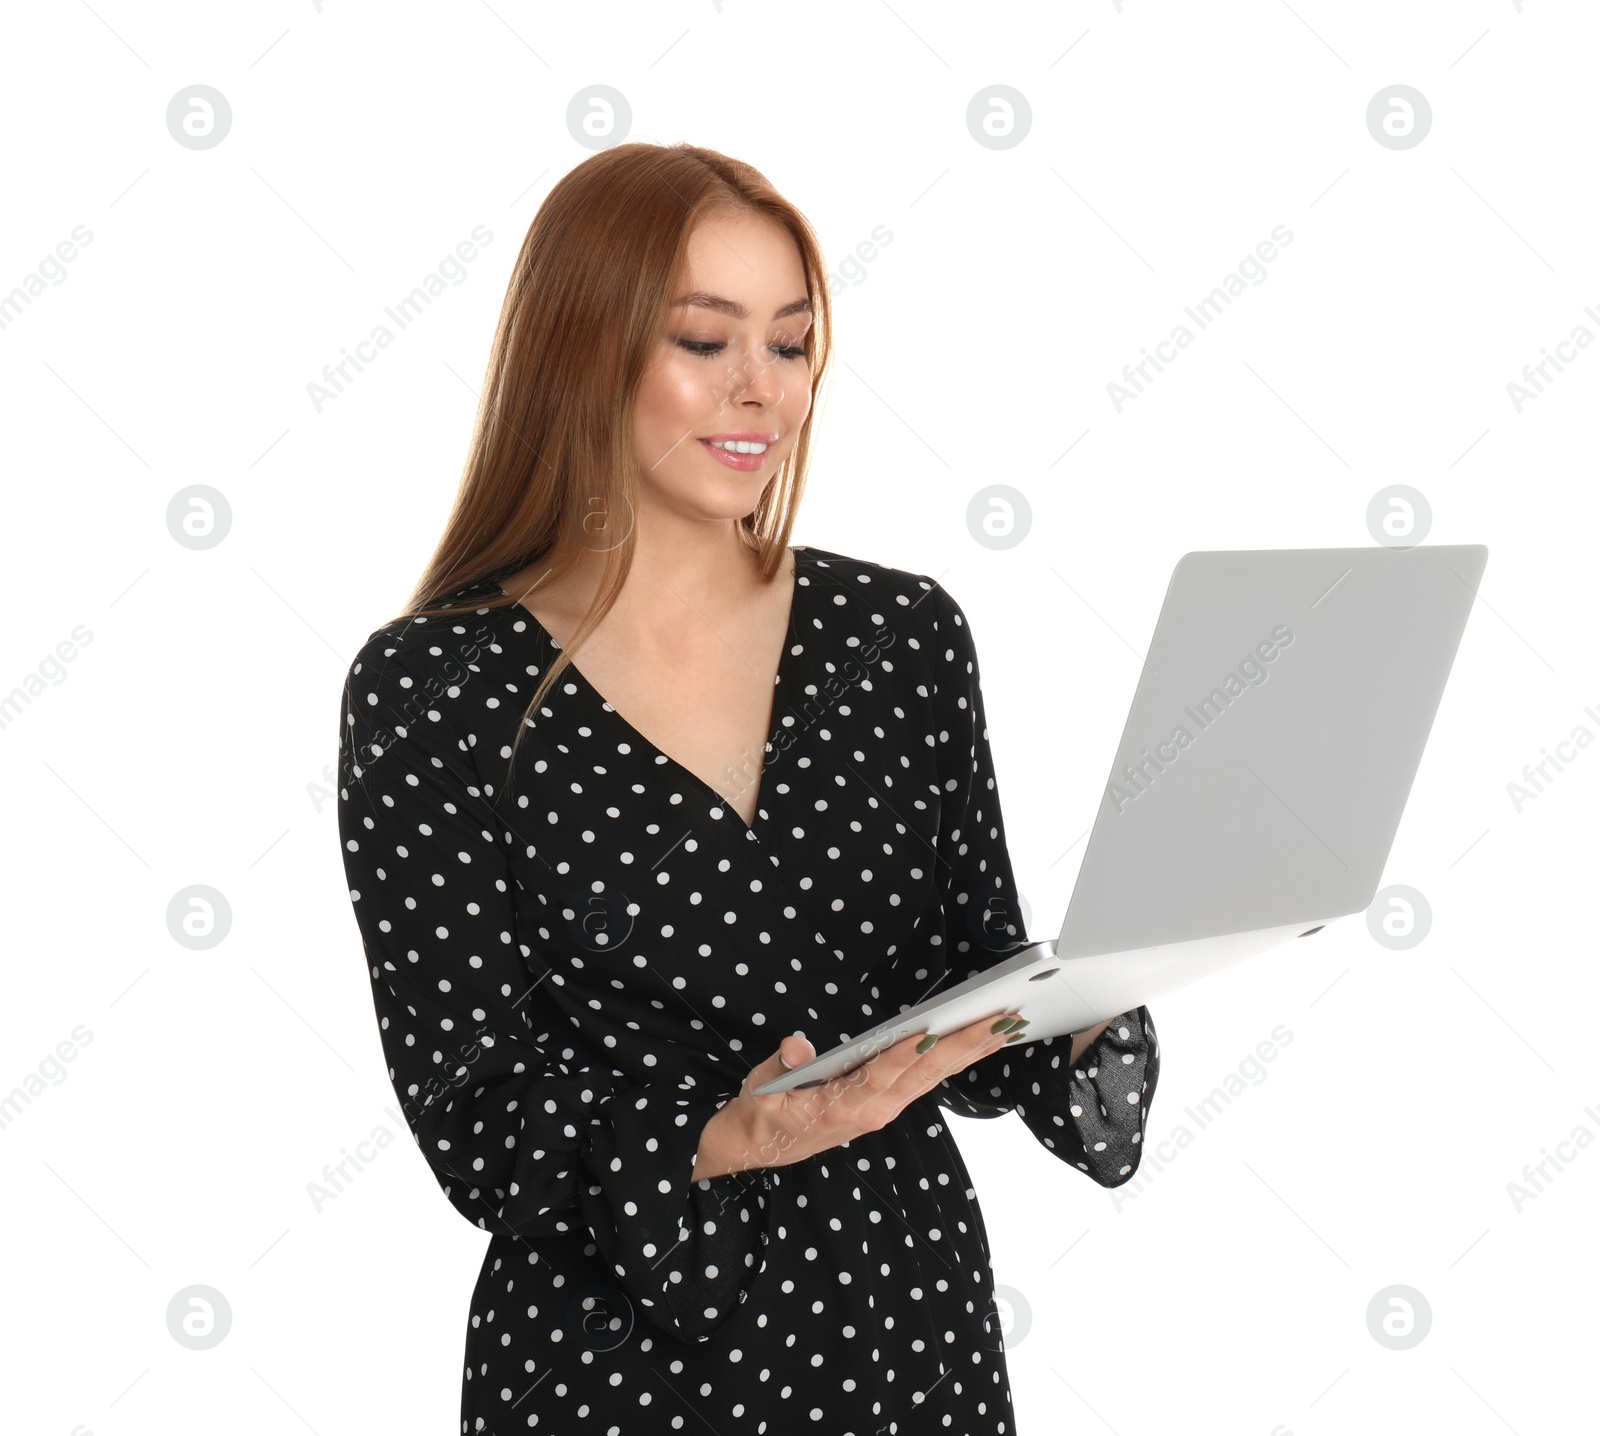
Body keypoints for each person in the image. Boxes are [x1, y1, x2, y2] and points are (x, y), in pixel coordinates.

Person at [336, 141, 1158, 1434]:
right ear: (582, 350)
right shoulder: (440, 685)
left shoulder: (899, 635)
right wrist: (737, 1134)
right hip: (625, 1354)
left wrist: (1106, 992)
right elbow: (477, 1109)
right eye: (704, 340)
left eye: (789, 343)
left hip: (906, 1328)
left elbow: (974, 991)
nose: (759, 391)